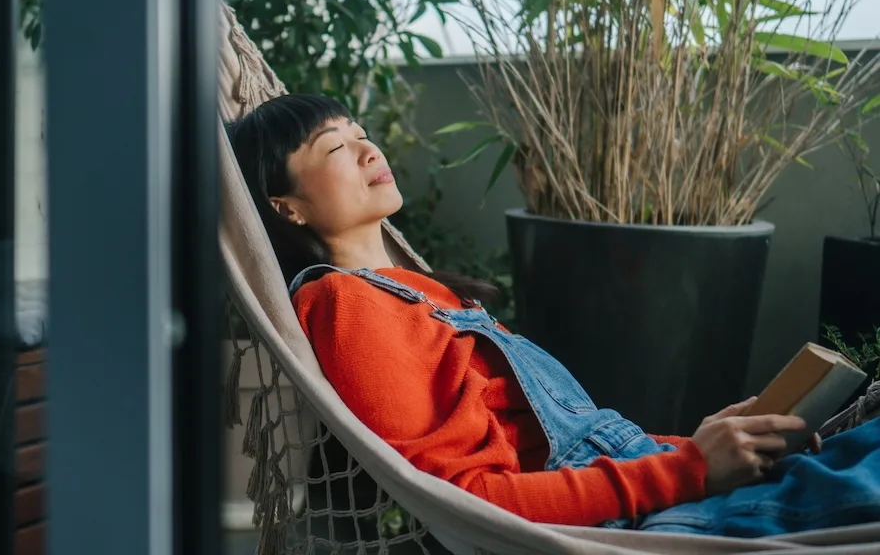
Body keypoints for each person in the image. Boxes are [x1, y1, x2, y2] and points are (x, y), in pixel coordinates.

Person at [227, 93, 880, 536]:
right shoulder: (346, 305)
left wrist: (707, 442)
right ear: (285, 206)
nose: (371, 151)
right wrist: (689, 469)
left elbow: (566, 440)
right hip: (627, 525)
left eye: (364, 135)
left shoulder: (426, 295)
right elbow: (462, 497)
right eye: (336, 148)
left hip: (649, 478)